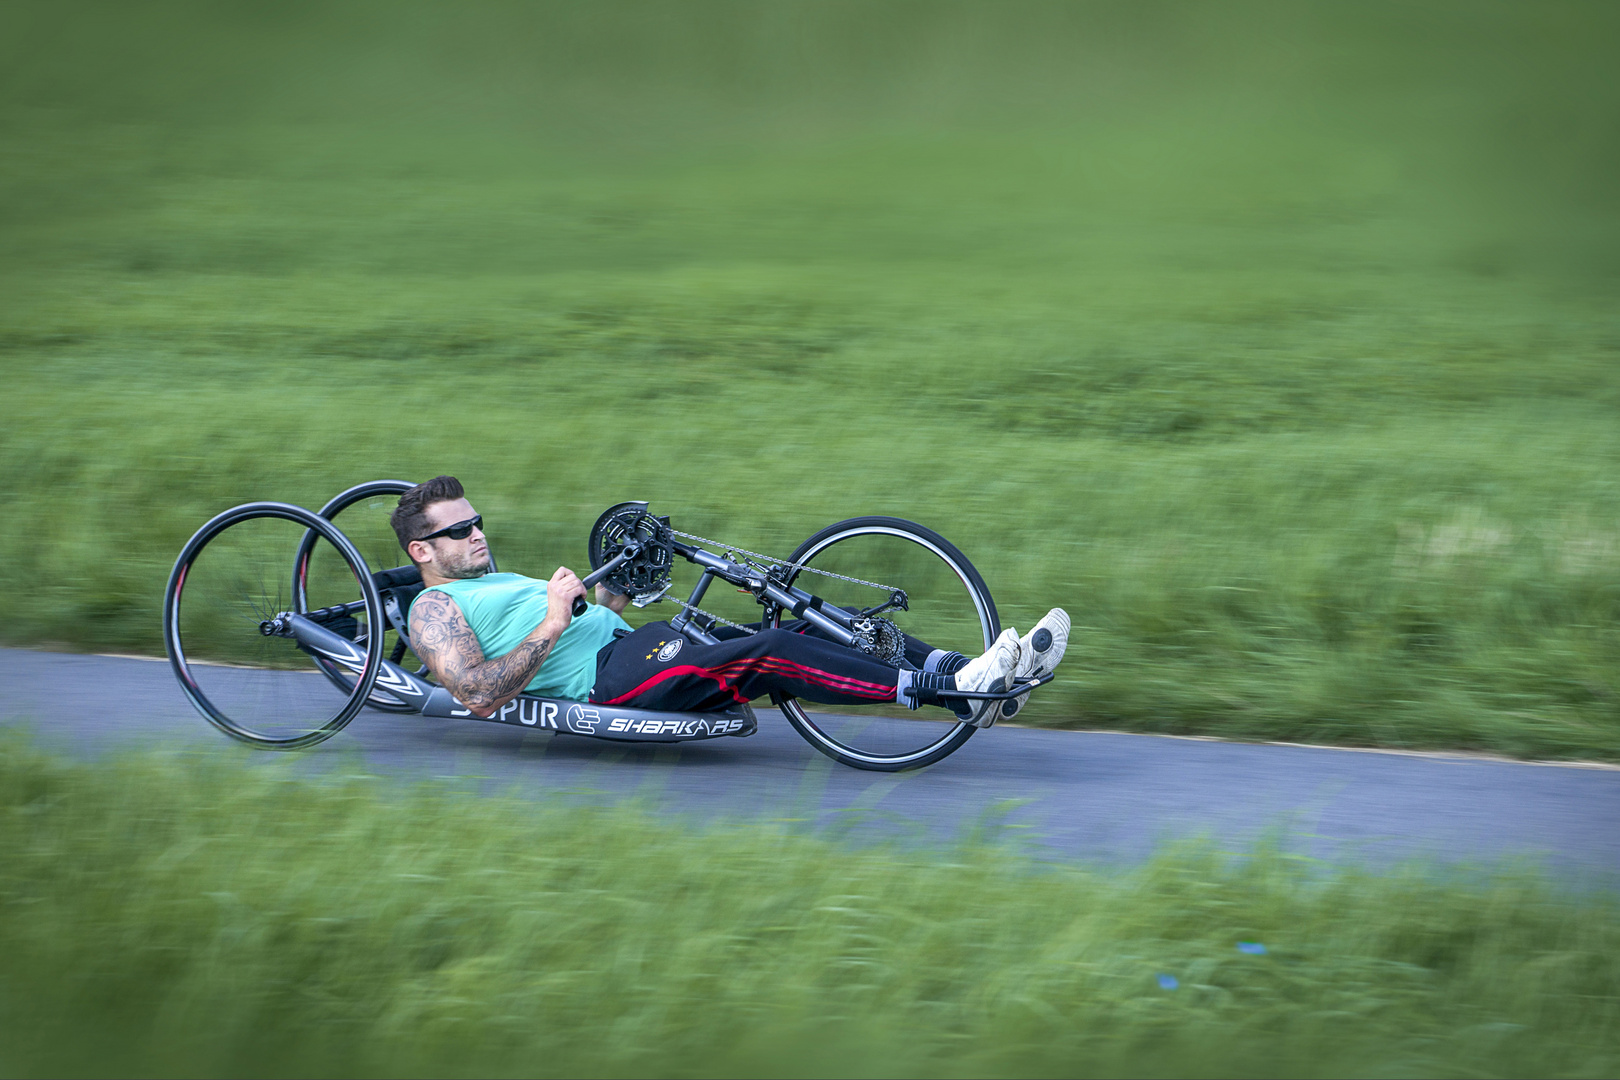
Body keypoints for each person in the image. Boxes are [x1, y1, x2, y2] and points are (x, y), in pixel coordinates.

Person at [391, 476, 1069, 726]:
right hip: (610, 685)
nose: (476, 533)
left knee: (804, 620)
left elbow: (589, 623)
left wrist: (615, 590)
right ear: (422, 550)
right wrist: (551, 615)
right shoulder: (433, 612)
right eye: (458, 530)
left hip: (632, 648)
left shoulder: (491, 583)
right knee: (770, 654)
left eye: (476, 522)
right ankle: (933, 690)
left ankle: (978, 680)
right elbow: (479, 693)